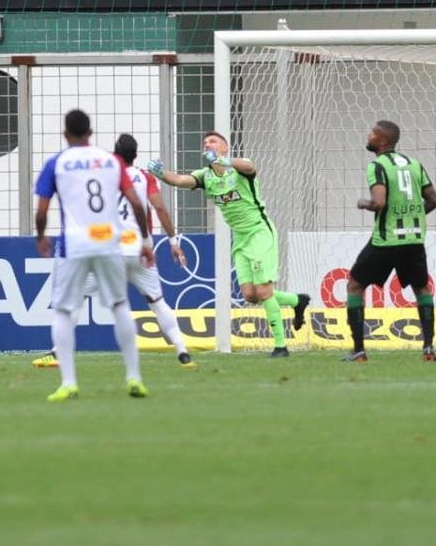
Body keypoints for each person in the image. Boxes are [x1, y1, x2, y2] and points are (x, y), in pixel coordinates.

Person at [33, 134, 197, 371]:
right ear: (136, 155)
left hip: (108, 250)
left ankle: (58, 351)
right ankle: (183, 352)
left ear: (115, 154)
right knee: (158, 302)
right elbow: (159, 207)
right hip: (138, 249)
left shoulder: (106, 173)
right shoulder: (145, 177)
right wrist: (172, 240)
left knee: (75, 297)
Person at [147, 132, 310, 357]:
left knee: (264, 290)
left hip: (259, 232)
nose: (207, 145)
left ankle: (281, 346)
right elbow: (180, 180)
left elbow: (250, 167)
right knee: (250, 295)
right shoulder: (206, 176)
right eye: (205, 143)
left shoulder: (239, 168)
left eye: (213, 141)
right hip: (240, 239)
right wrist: (161, 174)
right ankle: (297, 300)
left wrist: (226, 161)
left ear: (225, 147)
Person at [35, 110, 155, 402]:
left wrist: (40, 237)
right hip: (109, 243)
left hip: (74, 244)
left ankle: (69, 382)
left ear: (66, 135)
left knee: (63, 310)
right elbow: (137, 204)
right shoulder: (110, 161)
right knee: (119, 305)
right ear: (91, 132)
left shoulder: (57, 163)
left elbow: (41, 210)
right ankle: (134, 377)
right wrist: (145, 240)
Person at [342, 120, 436, 363]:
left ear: (383, 141)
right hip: (414, 239)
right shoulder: (415, 164)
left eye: (373, 132)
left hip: (386, 241)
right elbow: (433, 200)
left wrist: (364, 203)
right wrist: (410, 218)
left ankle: (359, 351)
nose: (368, 134)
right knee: (422, 289)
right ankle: (428, 349)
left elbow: (380, 203)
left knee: (355, 286)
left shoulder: (377, 166)